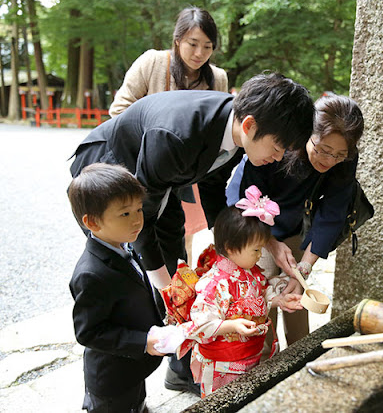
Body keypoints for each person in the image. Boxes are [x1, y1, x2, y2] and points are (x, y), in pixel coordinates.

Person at [70, 72, 315, 394]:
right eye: (279, 146)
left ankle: (179, 366)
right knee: (130, 289)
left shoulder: (235, 132)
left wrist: (261, 242)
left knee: (178, 270)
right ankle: (111, 385)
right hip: (111, 180)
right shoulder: (177, 136)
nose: (280, 157)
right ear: (250, 125)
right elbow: (143, 224)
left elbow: (213, 190)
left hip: (162, 183)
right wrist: (167, 290)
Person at [226, 94, 365, 352]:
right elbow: (248, 195)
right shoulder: (283, 140)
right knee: (262, 288)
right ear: (307, 135)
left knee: (295, 288)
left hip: (298, 221)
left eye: (339, 155)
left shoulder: (344, 157)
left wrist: (304, 268)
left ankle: (300, 358)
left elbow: (333, 211)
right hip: (254, 218)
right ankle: (261, 360)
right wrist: (271, 244)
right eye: (322, 149)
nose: (329, 160)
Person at [109, 6, 228, 268]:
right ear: (177, 40)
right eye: (192, 44)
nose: (199, 54)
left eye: (207, 47)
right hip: (143, 165)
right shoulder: (152, 62)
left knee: (181, 233)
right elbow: (118, 110)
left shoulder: (217, 78)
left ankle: (173, 290)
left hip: (185, 171)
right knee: (139, 229)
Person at [158, 186, 302, 397]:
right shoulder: (214, 284)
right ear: (232, 248)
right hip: (223, 366)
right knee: (225, 401)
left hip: (249, 356)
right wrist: (232, 325)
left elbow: (259, 295)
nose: (260, 254)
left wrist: (279, 299)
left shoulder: (249, 272)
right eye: (256, 249)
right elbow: (201, 324)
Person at [67, 163, 165, 413]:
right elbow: (88, 332)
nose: (137, 220)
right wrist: (143, 341)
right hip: (112, 376)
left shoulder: (122, 244)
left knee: (137, 401)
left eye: (139, 209)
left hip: (133, 365)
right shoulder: (91, 274)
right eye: (125, 214)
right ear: (93, 222)